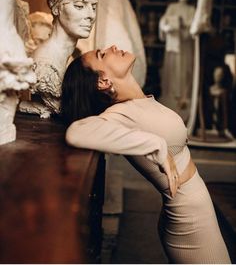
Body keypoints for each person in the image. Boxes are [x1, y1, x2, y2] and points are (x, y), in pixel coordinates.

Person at [60, 45, 231, 264]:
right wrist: (155, 144)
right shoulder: (118, 113)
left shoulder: (138, 102)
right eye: (102, 55)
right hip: (189, 219)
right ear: (103, 82)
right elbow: (76, 132)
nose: (111, 47)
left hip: (193, 208)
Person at [19, 0, 97, 118]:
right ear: (56, 7)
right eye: (79, 5)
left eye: (93, 7)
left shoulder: (68, 58)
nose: (90, 15)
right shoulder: (45, 66)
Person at [159, 0, 195, 122]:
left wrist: (183, 24)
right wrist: (167, 27)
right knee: (172, 74)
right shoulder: (172, 8)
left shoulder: (191, 9)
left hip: (185, 47)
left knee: (185, 74)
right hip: (173, 47)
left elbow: (192, 26)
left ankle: (184, 101)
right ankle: (171, 100)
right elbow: (163, 22)